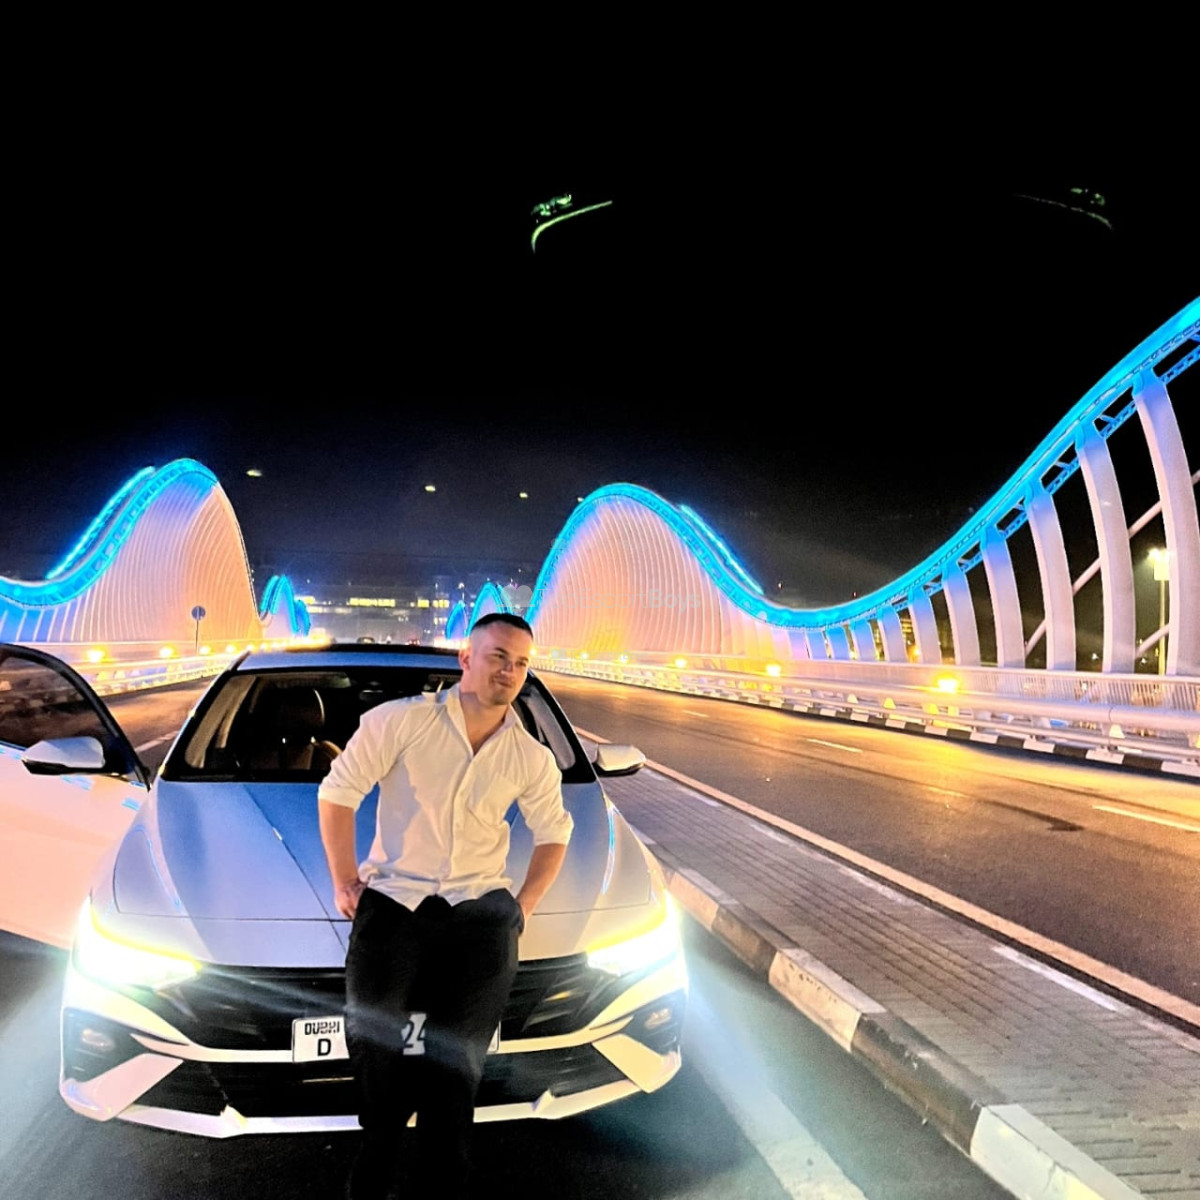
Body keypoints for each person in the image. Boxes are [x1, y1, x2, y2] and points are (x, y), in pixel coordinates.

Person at [317, 613, 573, 1200]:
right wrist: (344, 880)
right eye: (498, 656)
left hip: (481, 914)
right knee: (374, 1042)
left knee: (458, 1062)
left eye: (520, 663)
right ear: (466, 659)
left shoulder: (529, 756)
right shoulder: (401, 722)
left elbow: (554, 832)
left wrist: (524, 905)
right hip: (395, 903)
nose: (509, 671)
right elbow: (338, 793)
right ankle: (380, 1146)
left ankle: (443, 1176)